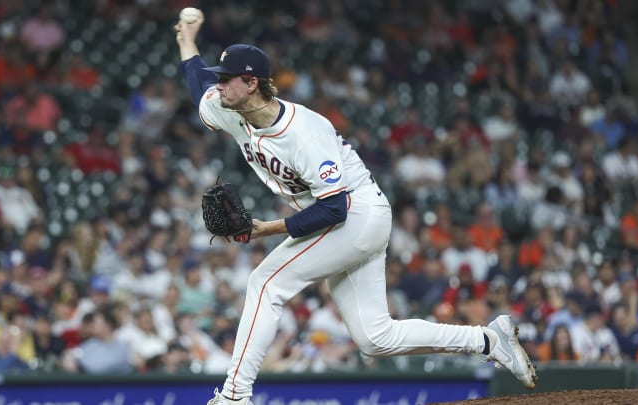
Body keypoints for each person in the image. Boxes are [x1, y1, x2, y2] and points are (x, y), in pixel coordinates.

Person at [174, 11, 537, 404]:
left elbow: (335, 209)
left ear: (251, 83)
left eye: (227, 78)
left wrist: (267, 229)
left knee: (265, 283)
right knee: (375, 338)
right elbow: (199, 89)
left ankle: (234, 395)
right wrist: (186, 41)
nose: (220, 85)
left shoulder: (303, 132)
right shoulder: (232, 110)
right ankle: (487, 339)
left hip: (357, 214)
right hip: (341, 221)